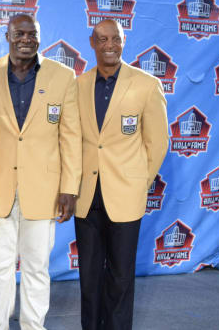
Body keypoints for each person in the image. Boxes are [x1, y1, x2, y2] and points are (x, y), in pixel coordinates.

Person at [0, 14, 82, 330]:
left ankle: (34, 326)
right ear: (7, 36)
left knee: (36, 267)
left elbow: (70, 136)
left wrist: (70, 187)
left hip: (44, 191)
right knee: (1, 266)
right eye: (19, 33)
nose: (26, 39)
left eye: (33, 34)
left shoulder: (63, 76)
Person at [74, 19, 168, 330]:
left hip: (125, 197)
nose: (110, 45)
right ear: (92, 43)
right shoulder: (78, 85)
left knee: (120, 277)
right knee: (88, 278)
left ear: (123, 42)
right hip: (86, 197)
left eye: (116, 38)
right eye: (103, 39)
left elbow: (157, 143)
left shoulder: (146, 84)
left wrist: (138, 183)